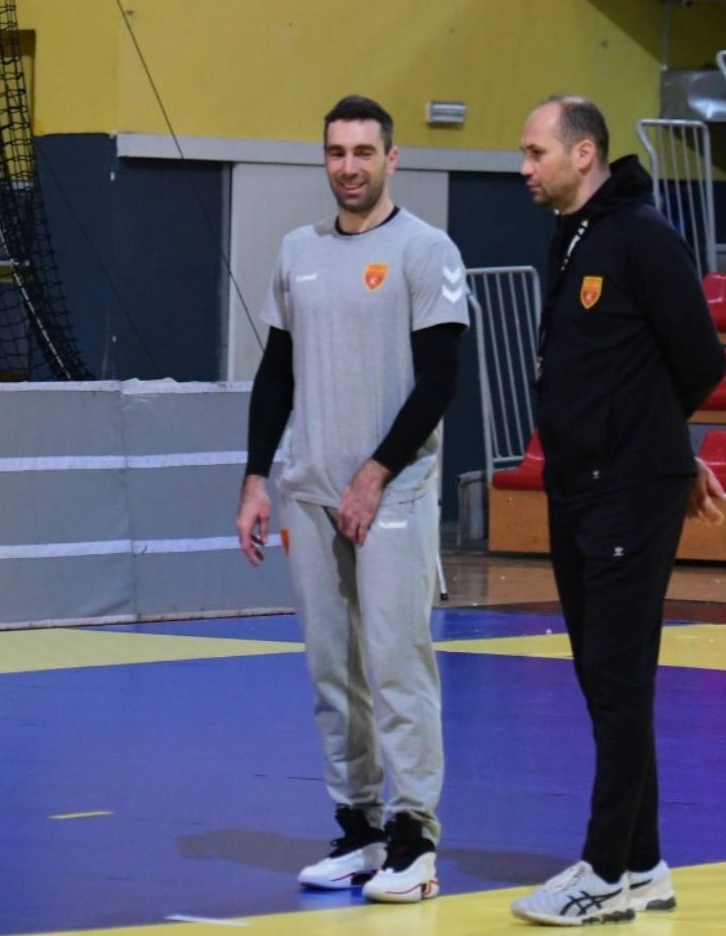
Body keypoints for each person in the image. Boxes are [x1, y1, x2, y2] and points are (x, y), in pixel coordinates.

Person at [237, 95, 468, 904]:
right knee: (331, 671)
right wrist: (257, 477)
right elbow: (275, 374)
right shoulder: (296, 251)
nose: (349, 167)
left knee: (397, 665)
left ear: (391, 159)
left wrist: (374, 473)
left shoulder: (425, 250)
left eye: (364, 152)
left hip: (393, 492)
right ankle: (360, 828)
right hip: (308, 491)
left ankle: (416, 838)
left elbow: (439, 383)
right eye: (336, 152)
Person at [508, 95, 726, 926]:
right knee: (607, 680)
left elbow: (701, 360)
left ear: (584, 153)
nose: (524, 168)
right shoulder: (573, 235)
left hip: (626, 492)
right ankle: (643, 862)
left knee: (619, 678)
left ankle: (602, 873)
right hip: (581, 487)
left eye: (536, 152)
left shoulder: (642, 235)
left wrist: (655, 449)